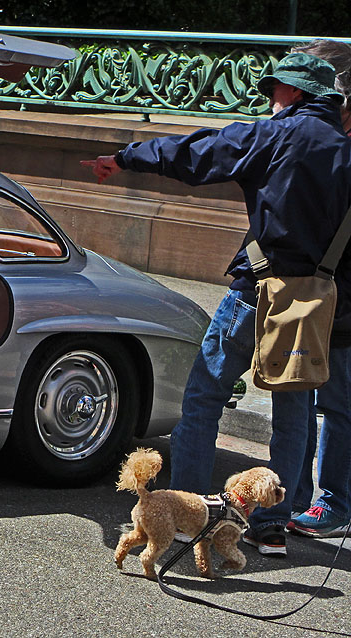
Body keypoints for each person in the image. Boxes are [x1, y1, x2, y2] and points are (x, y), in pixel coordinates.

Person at [82, 52, 351, 556]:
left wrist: (125, 158)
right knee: (293, 412)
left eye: (275, 89)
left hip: (254, 295)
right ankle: (272, 525)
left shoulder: (273, 135)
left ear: (293, 93)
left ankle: (188, 511)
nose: (271, 98)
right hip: (315, 306)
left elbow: (197, 153)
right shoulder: (347, 151)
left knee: (205, 396)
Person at [285, 39, 351, 539]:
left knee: (336, 404)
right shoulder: (315, 140)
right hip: (315, 290)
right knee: (303, 398)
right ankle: (303, 500)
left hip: (341, 296)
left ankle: (333, 502)